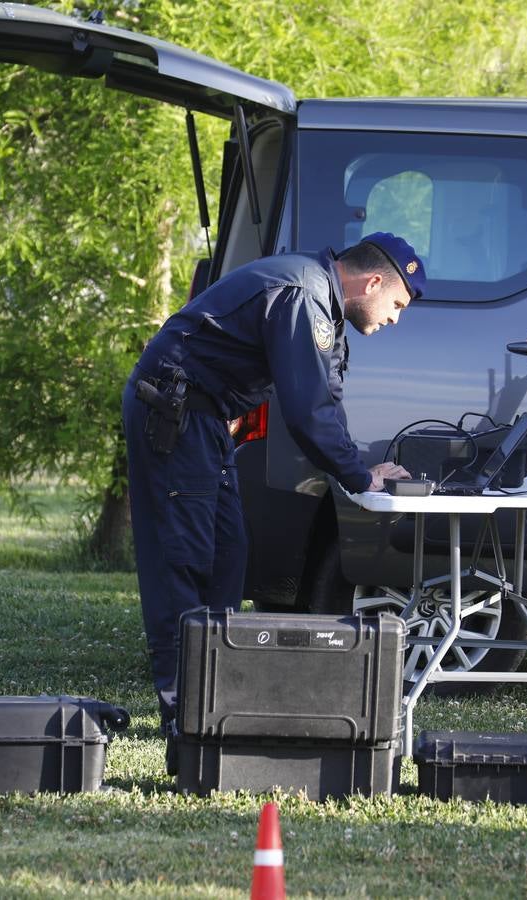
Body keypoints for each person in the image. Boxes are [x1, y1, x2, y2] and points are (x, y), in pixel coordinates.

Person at [122, 232, 424, 746]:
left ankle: (214, 705)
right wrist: (358, 476)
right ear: (372, 281)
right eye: (396, 303)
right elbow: (306, 412)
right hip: (175, 417)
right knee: (186, 565)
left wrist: (359, 468)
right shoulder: (303, 295)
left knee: (227, 559)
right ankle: (183, 720)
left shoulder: (319, 297)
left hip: (205, 419)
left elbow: (325, 397)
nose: (396, 318)